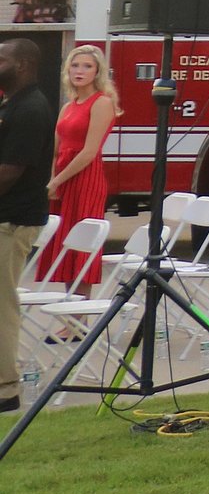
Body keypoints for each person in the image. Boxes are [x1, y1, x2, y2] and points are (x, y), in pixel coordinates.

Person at [38, 43, 118, 290]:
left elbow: (89, 152)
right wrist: (53, 179)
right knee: (64, 242)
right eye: (74, 65)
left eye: (87, 66)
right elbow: (56, 149)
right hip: (63, 174)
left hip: (85, 178)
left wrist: (56, 181)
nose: (79, 71)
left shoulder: (101, 102)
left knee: (81, 243)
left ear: (97, 71)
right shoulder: (68, 106)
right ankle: (69, 307)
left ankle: (81, 308)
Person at [0, 40, 51, 416]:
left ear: (21, 65)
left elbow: (10, 171)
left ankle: (6, 389)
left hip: (12, 221)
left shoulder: (31, 109)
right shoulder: (12, 104)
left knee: (1, 306)